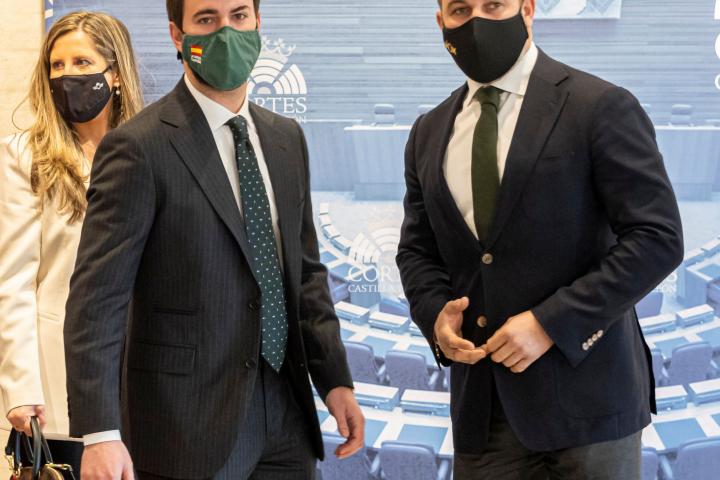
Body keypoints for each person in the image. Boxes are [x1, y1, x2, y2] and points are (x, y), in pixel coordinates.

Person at [63, 1, 364, 479]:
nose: (226, 31)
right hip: (184, 426)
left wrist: (335, 381)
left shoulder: (286, 139)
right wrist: (100, 432)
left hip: (286, 415)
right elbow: (96, 301)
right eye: (206, 19)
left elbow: (306, 274)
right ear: (177, 35)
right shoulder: (138, 147)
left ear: (258, 24)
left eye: (239, 16)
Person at [396, 0, 683, 479]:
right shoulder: (428, 132)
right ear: (441, 22)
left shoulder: (600, 105)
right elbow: (417, 250)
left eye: (494, 5)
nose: (477, 22)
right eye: (461, 10)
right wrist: (435, 315)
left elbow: (657, 237)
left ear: (527, 9)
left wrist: (551, 323)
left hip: (590, 406)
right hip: (482, 412)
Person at [0, 10, 143, 476]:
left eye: (82, 63)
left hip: (145, 373)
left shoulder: (151, 150)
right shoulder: (25, 155)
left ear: (115, 73)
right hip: (59, 381)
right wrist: (21, 386)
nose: (67, 76)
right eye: (56, 66)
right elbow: (14, 281)